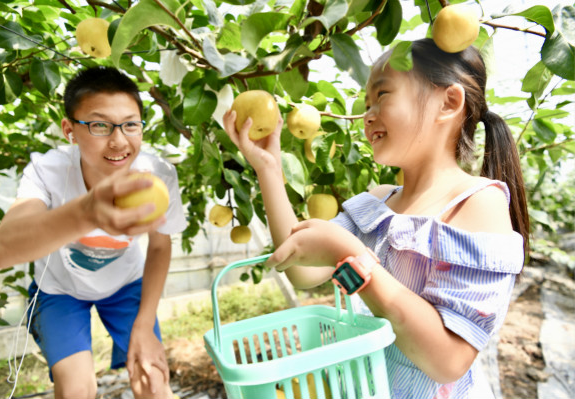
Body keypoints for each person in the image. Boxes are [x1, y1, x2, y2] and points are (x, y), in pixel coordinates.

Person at [223, 38, 529, 398]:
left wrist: (351, 257)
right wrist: (269, 169)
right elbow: (302, 267)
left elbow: (448, 360)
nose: (368, 114)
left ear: (448, 102)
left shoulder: (476, 204)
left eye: (382, 95)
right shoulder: (378, 201)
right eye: (367, 102)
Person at [0, 66, 186, 399]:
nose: (119, 140)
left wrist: (145, 325)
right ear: (70, 129)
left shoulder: (157, 174)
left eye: (131, 124)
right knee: (76, 389)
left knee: (153, 382)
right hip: (59, 290)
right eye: (99, 125)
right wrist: (87, 211)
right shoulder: (46, 170)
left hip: (126, 285)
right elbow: (0, 251)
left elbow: (159, 247)